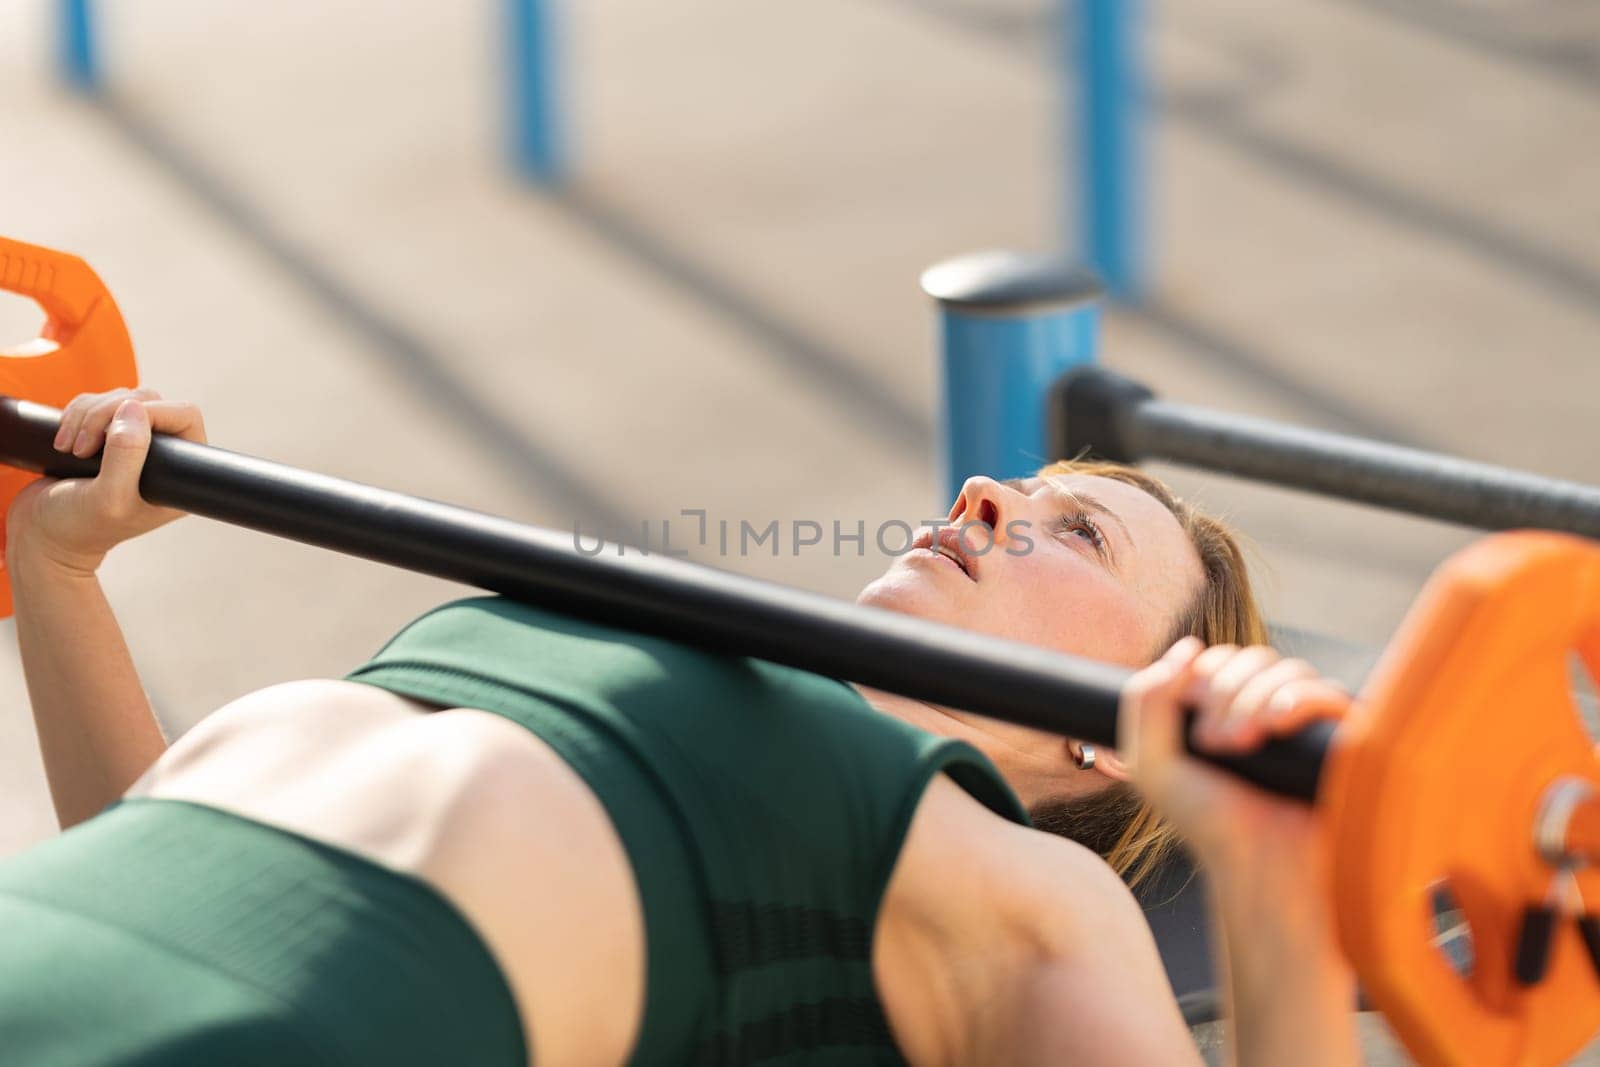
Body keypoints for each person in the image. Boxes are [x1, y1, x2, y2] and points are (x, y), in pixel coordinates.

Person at [0, 388, 1361, 1066]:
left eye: (1078, 533)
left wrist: (1266, 876)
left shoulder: (1024, 887)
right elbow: (177, 853)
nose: (989, 492)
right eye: (1023, 484)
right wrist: (59, 572)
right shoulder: (675, 638)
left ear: (1112, 743)